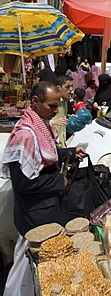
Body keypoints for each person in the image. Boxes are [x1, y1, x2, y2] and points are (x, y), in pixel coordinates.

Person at [0, 81, 87, 296]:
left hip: (45, 209)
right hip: (35, 215)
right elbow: (24, 184)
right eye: (52, 106)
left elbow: (45, 155)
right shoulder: (25, 136)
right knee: (27, 267)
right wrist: (59, 182)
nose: (56, 111)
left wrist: (68, 152)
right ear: (36, 102)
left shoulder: (40, 126)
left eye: (58, 106)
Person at [51, 74, 74, 148]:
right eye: (67, 87)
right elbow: (39, 120)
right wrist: (52, 122)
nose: (71, 90)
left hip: (62, 143)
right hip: (52, 143)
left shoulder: (65, 101)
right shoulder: (51, 101)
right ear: (58, 88)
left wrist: (69, 117)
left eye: (72, 86)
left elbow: (62, 117)